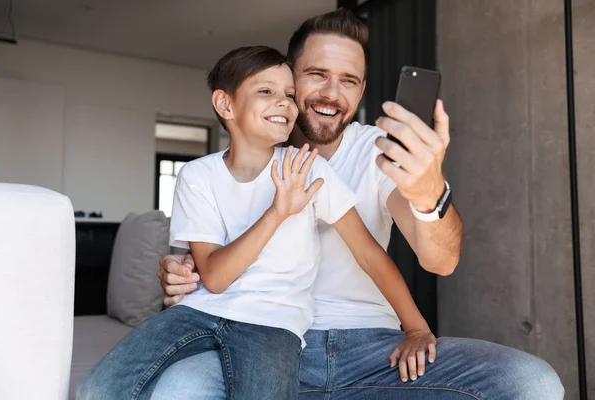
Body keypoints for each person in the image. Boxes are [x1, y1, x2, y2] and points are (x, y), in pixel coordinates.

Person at [154, 9, 564, 400]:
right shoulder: (229, 166)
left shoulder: (376, 151)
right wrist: (185, 269)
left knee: (532, 382)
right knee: (175, 389)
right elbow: (213, 259)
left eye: (349, 80)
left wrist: (428, 193)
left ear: (362, 89)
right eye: (317, 75)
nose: (332, 94)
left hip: (372, 352)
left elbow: (441, 261)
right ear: (287, 75)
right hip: (259, 337)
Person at [78, 45, 436, 399]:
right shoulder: (197, 175)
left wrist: (416, 327)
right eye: (266, 92)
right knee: (97, 387)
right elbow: (215, 279)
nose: (284, 103)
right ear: (225, 104)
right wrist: (277, 213)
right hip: (200, 310)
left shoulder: (307, 168)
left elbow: (370, 254)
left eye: (290, 95)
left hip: (274, 324)